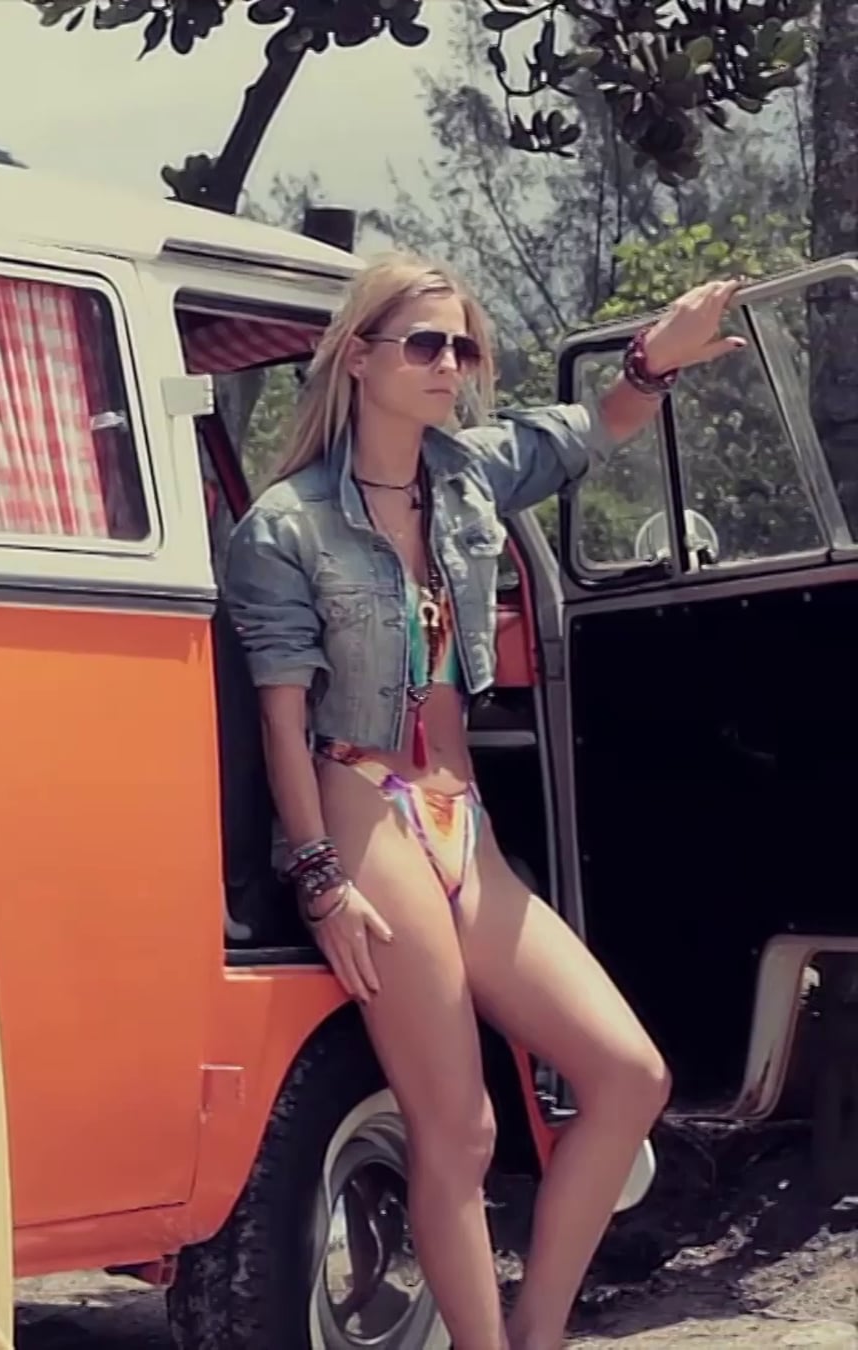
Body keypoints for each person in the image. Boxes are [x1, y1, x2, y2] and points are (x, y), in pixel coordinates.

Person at [220, 255, 746, 1350]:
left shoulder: (469, 475)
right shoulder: (285, 526)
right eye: (424, 344)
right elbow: (282, 716)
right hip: (357, 795)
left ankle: (535, 1332)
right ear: (357, 357)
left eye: (462, 346)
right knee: (457, 1132)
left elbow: (596, 428)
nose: (450, 364)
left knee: (629, 1077)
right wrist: (319, 876)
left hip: (459, 812)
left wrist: (653, 361)